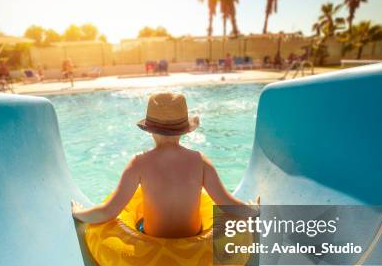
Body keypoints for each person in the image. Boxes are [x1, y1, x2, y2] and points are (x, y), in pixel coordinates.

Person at [71, 92, 260, 238]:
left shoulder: (138, 163)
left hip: (152, 238)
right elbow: (227, 206)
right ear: (184, 130)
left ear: (149, 130)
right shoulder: (200, 161)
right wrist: (252, 210)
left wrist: (79, 213)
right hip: (194, 239)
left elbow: (109, 211)